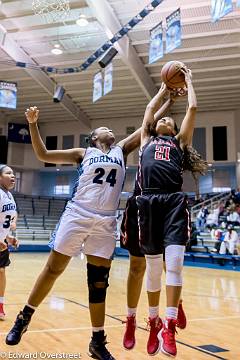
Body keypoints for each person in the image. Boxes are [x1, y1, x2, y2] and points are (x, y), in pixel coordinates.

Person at [6, 106, 142, 360]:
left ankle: (97, 342)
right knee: (53, 269)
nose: (109, 129)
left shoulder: (121, 150)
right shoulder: (83, 152)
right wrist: (33, 124)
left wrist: (167, 94)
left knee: (98, 282)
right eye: (104, 128)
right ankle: (24, 317)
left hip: (105, 221)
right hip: (78, 213)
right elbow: (42, 153)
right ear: (93, 137)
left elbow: (148, 124)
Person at [136, 69, 207, 357]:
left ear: (175, 127)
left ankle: (169, 325)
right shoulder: (145, 139)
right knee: (154, 269)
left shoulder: (179, 142)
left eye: (169, 119)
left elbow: (192, 107)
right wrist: (165, 89)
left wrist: (189, 80)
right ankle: (152, 321)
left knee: (174, 264)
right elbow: (150, 109)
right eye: (162, 119)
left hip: (174, 203)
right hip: (148, 202)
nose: (164, 119)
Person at [121, 93, 187, 356]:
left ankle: (172, 308)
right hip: (140, 204)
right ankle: (132, 319)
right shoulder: (146, 140)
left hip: (165, 203)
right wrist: (167, 97)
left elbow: (157, 121)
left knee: (169, 262)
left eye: (169, 120)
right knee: (139, 266)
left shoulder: (171, 146)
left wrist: (170, 101)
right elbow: (150, 119)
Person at [0, 164, 19, 320]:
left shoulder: (9, 196)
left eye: (13, 173)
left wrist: (8, 238)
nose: (13, 176)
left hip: (2, 243)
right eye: (8, 173)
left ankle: (0, 305)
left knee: (1, 272)